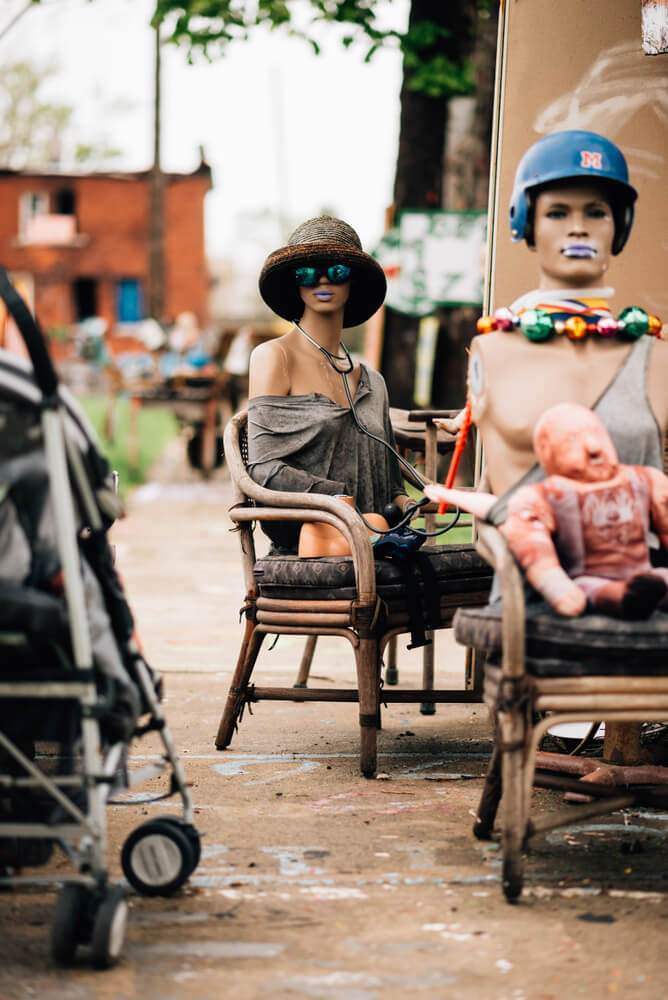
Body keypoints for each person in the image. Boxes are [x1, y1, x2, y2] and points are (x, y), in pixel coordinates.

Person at [462, 130, 668, 510]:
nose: (579, 228)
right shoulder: (492, 350)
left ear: (618, 227)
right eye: (557, 212)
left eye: (597, 212)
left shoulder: (657, 357)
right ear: (527, 224)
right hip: (525, 564)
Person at [247, 215, 412, 552]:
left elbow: (393, 485)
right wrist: (335, 498)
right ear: (295, 283)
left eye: (338, 271)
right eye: (307, 272)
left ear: (353, 283)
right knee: (373, 528)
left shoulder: (373, 382)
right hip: (311, 529)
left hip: (377, 530)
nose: (322, 279)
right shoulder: (275, 357)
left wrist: (418, 502)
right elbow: (263, 468)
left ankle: (381, 540)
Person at [426, 403, 668, 619]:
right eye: (574, 439)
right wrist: (449, 494)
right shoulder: (552, 493)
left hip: (644, 570)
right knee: (586, 587)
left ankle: (646, 591)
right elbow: (501, 508)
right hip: (590, 579)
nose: (594, 446)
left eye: (597, 434)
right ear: (547, 450)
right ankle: (623, 597)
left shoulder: (641, 480)